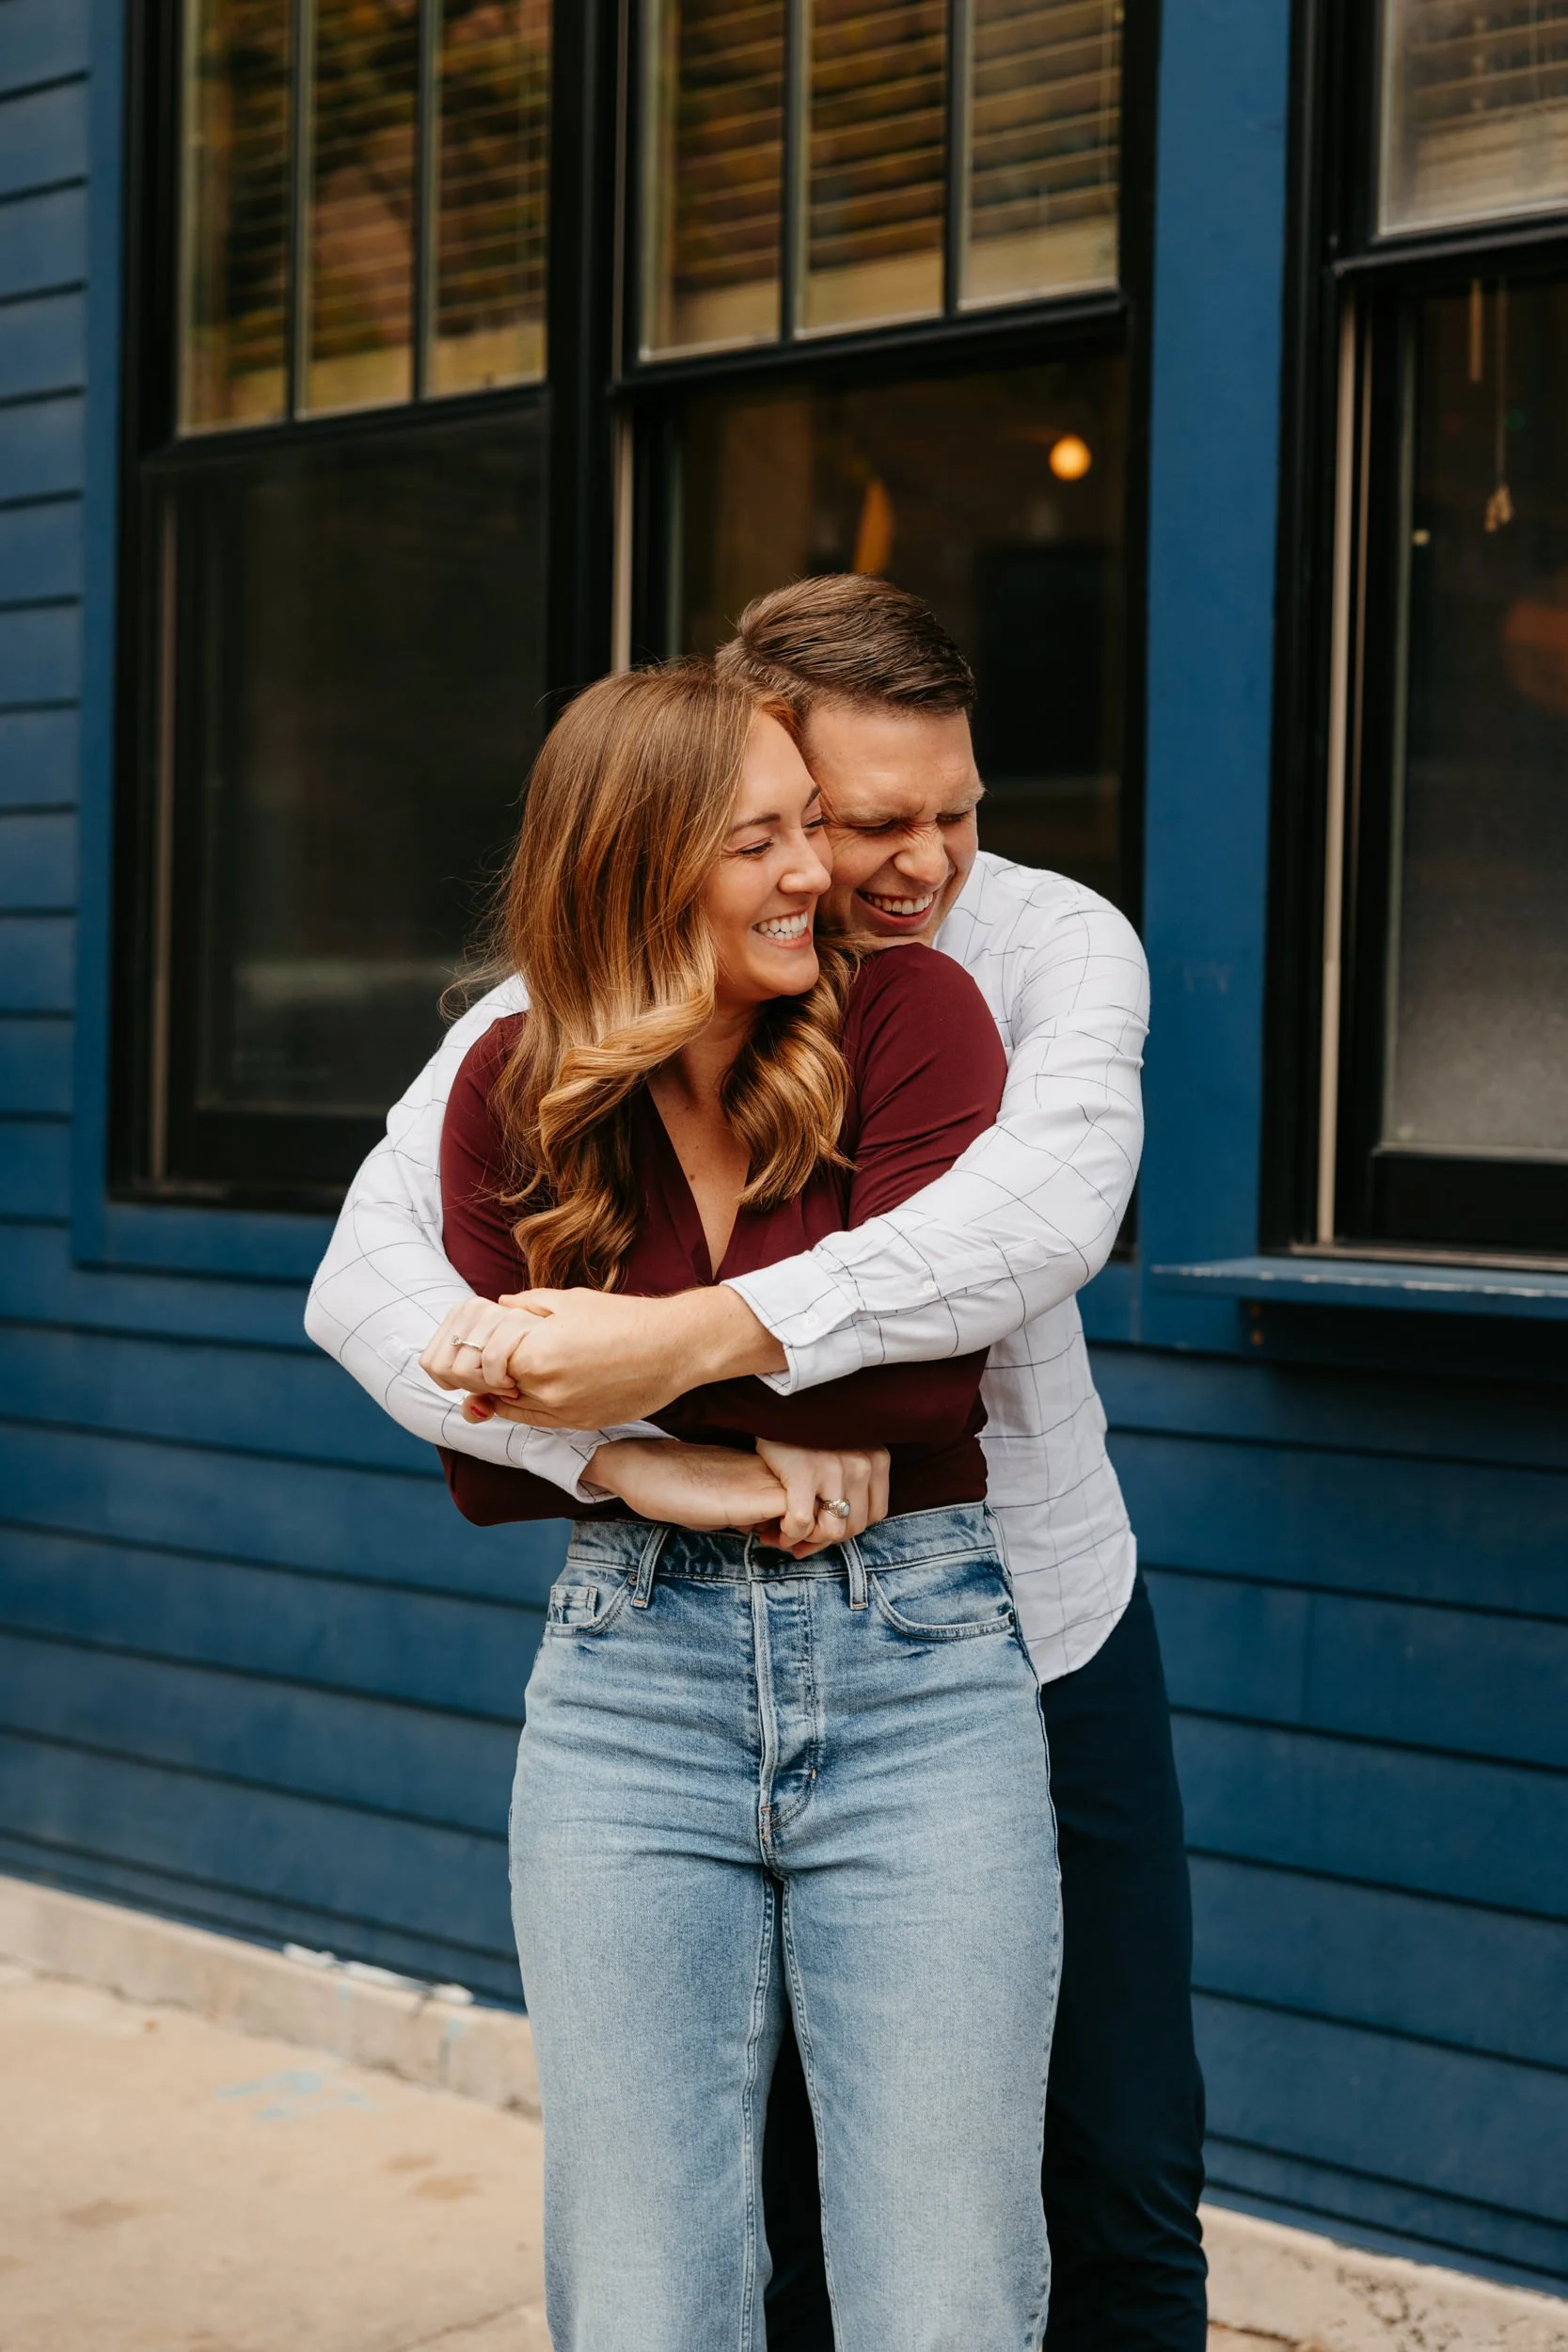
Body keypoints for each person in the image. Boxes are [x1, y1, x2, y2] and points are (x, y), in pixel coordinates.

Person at [306, 576, 1209, 2352]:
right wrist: (615, 1457)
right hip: (664, 1649)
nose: (915, 864)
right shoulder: (545, 1023)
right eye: (860, 822)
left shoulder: (1033, 949)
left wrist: (673, 1344)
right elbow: (372, 1287)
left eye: (955, 810)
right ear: (743, 777)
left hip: (1024, 1613)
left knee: (1110, 2176)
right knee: (749, 2222)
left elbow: (1030, 1229)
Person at [418, 659, 1060, 2349]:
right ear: (634, 869)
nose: (813, 874)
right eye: (759, 841)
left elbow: (922, 1381)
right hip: (628, 1688)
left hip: (919, 1672)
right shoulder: (511, 1084)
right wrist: (665, 1463)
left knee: (945, 2289)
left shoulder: (911, 1015)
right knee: (643, 2289)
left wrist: (598, 1374)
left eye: (807, 830)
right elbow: (480, 1444)